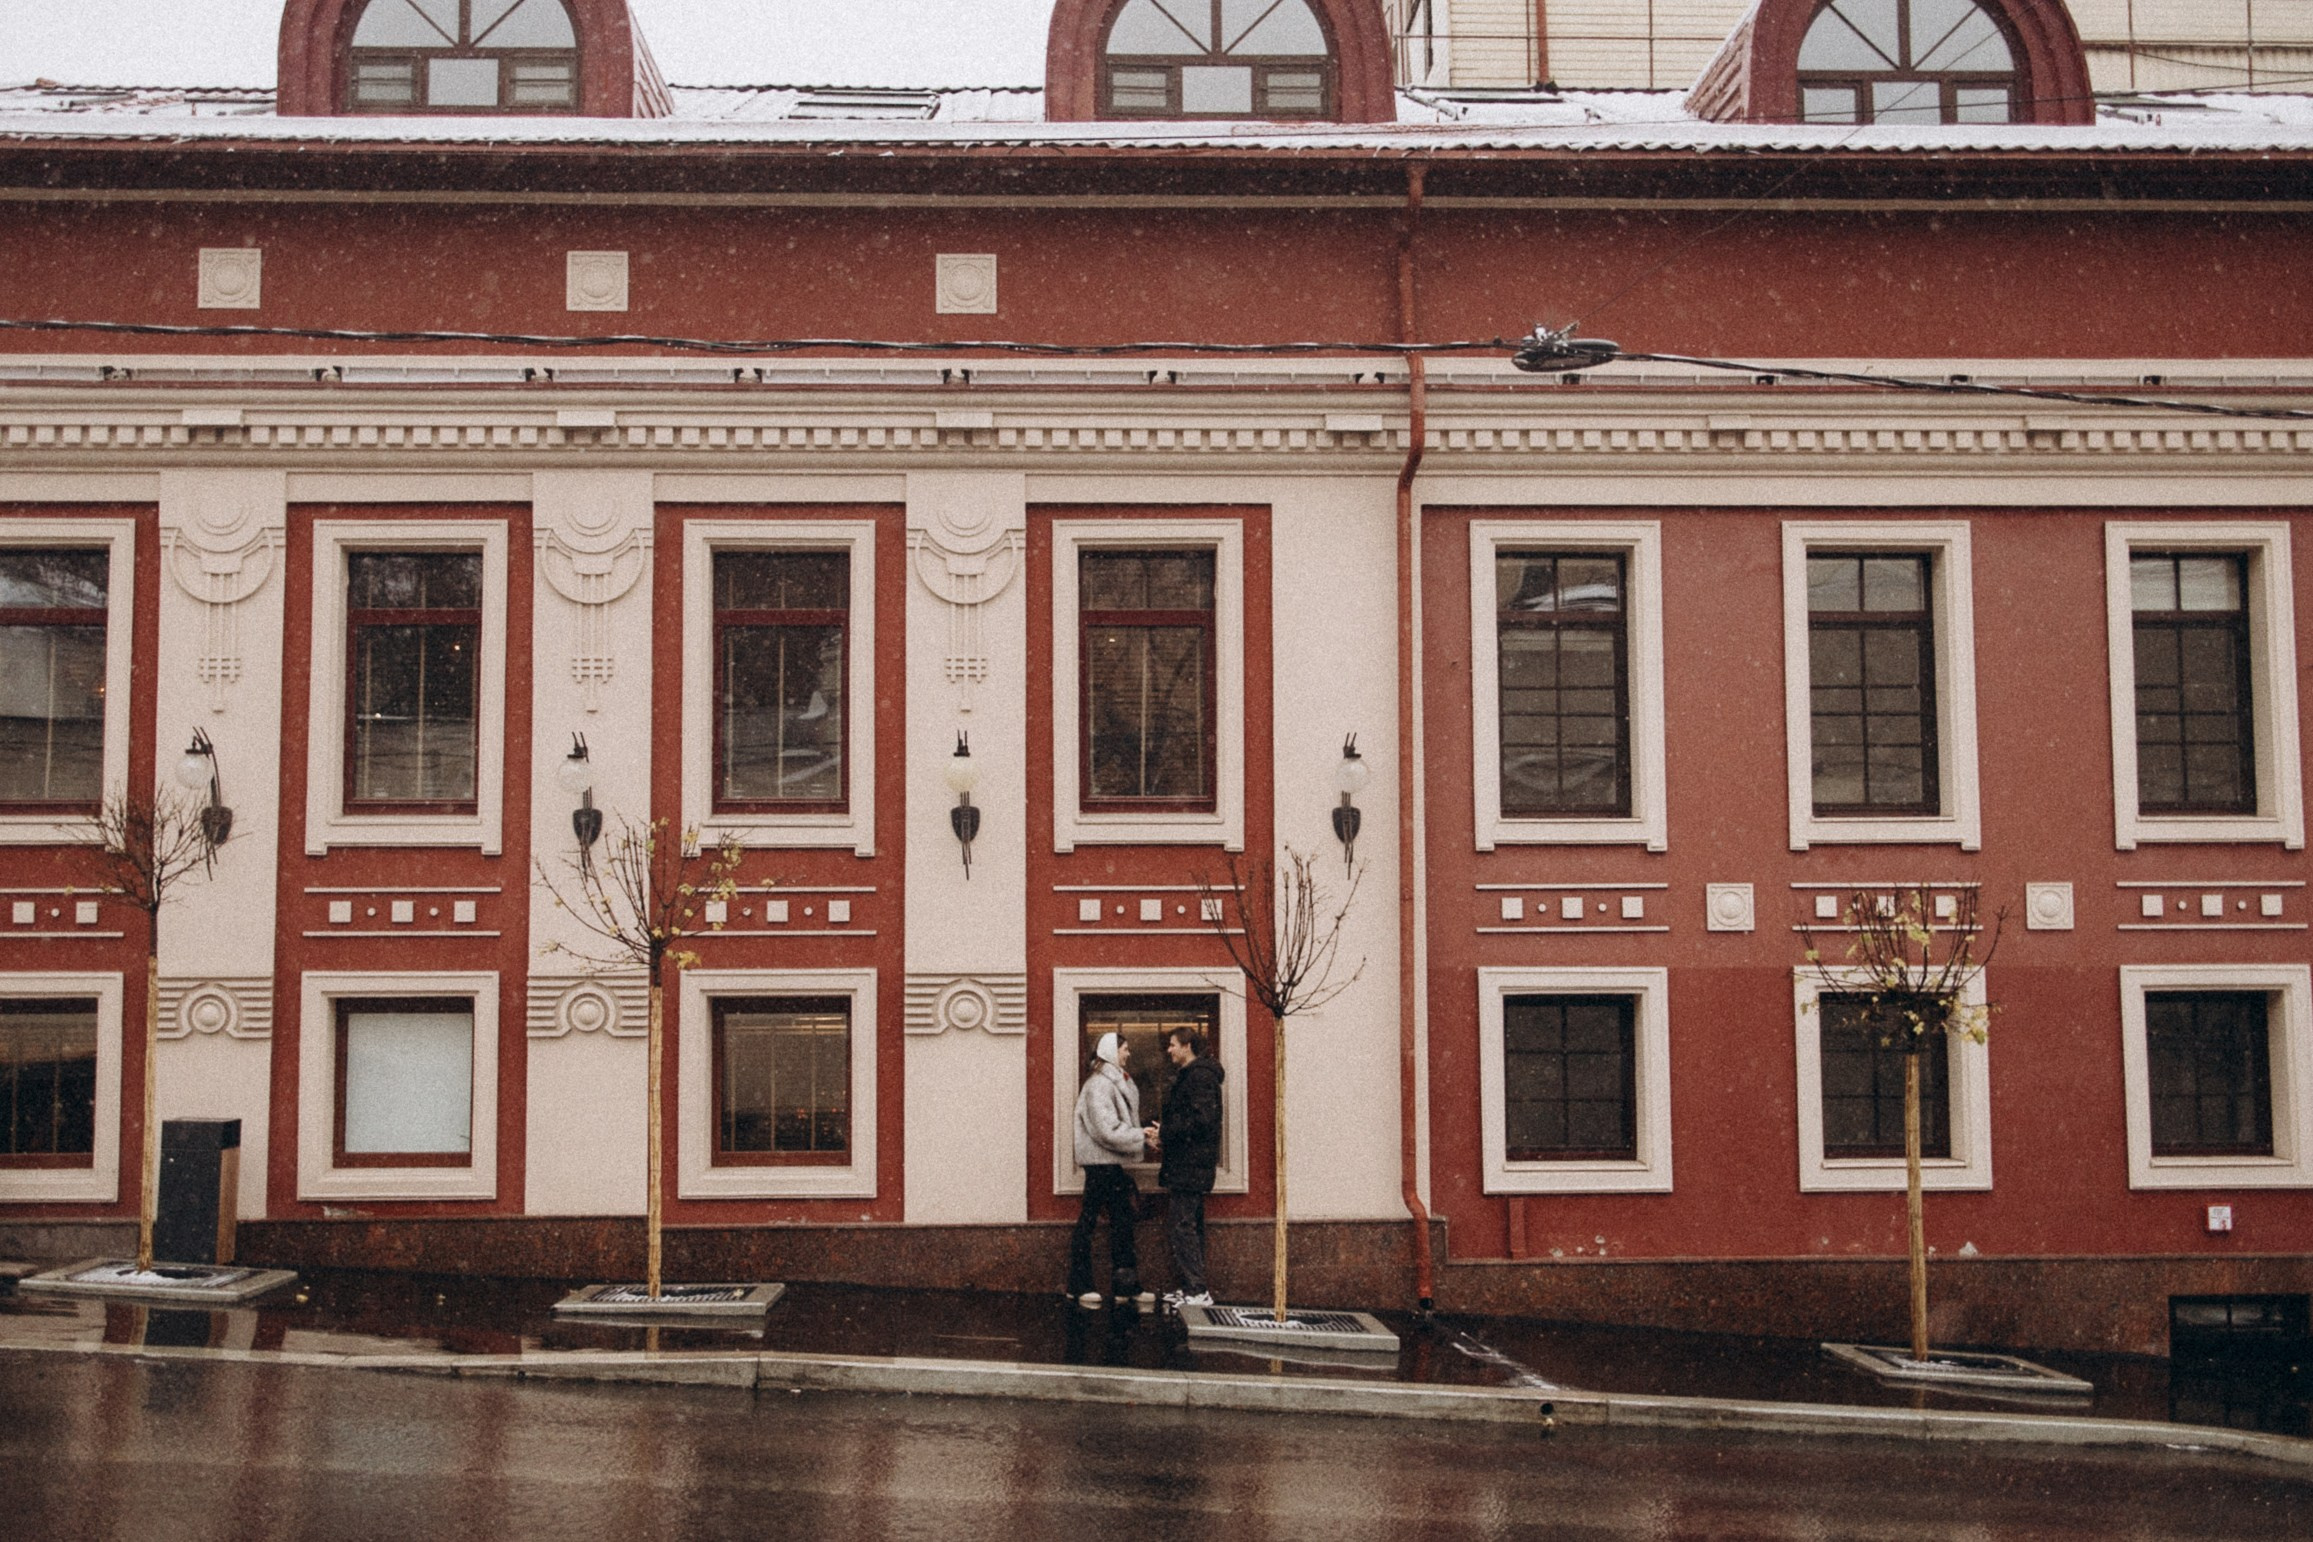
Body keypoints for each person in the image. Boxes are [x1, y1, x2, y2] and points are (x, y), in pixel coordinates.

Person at [1143, 1023, 1223, 1310]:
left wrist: (1165, 1133)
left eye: (1173, 1045)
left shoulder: (1198, 1077)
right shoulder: (1196, 1075)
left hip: (1190, 1165)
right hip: (1190, 1163)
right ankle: (1192, 1287)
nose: (1169, 1050)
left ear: (1187, 1046)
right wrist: (1166, 1133)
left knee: (1183, 1226)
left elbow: (1202, 1121)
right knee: (1187, 1225)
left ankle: (1197, 1289)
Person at [1068, 1030, 1147, 1308]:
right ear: (1112, 1052)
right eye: (1125, 1049)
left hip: (1107, 1164)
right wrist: (1141, 1135)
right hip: (1100, 1164)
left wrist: (1139, 1135)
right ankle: (1081, 1286)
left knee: (1116, 1223)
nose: (1128, 1054)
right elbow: (1106, 1129)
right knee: (1099, 1222)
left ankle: (1119, 1286)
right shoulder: (1099, 1085)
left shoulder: (1110, 1081)